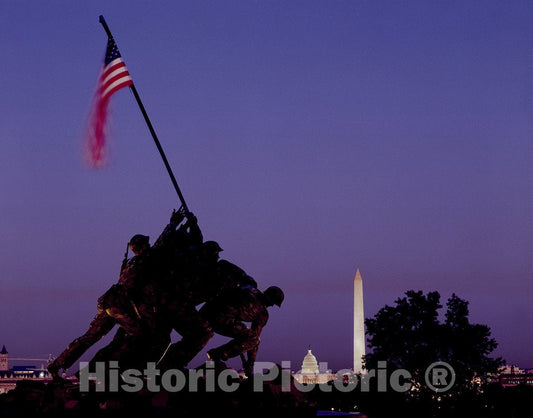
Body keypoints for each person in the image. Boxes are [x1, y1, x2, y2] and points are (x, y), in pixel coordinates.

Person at [200, 285, 284, 377]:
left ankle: (218, 354)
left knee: (249, 336)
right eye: (273, 302)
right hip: (218, 317)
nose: (271, 305)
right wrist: (250, 364)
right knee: (253, 338)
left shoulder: (249, 290)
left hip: (207, 312)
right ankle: (218, 353)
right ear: (269, 297)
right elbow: (254, 339)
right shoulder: (260, 311)